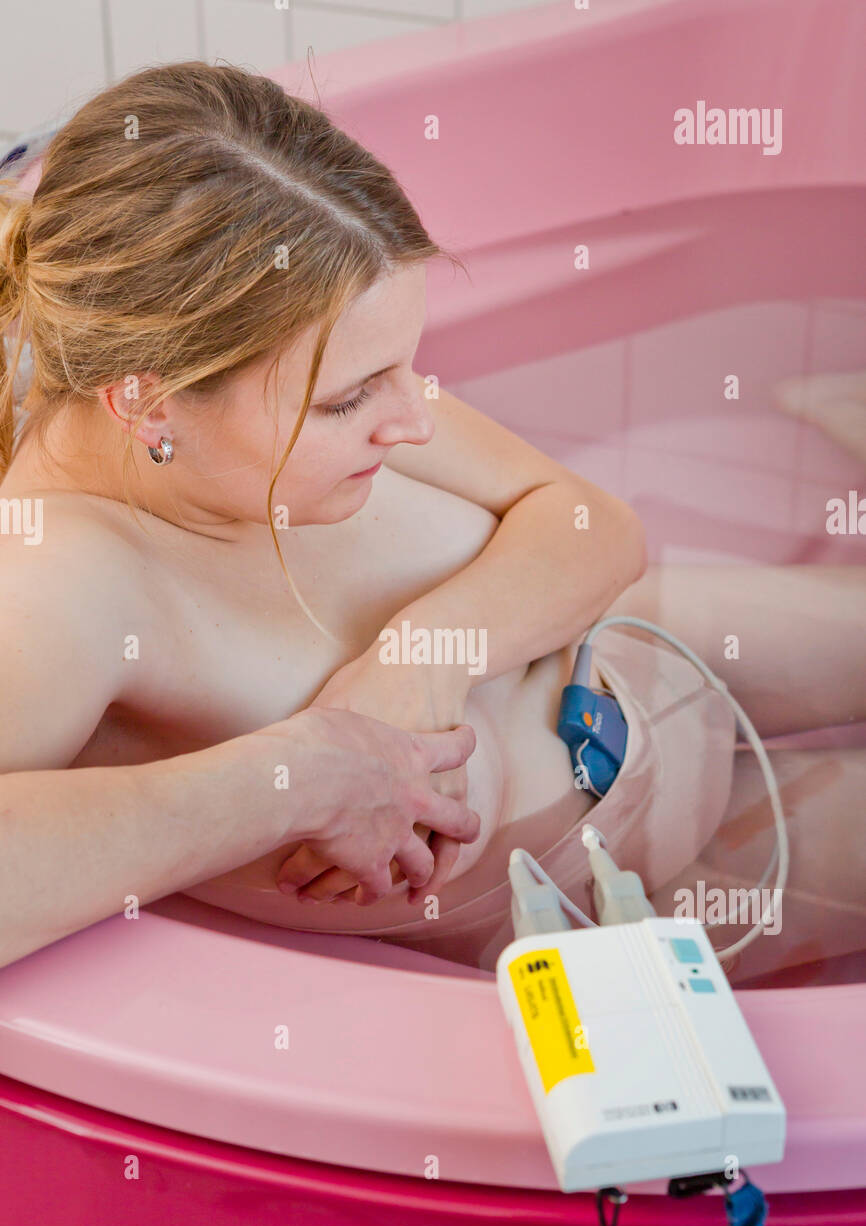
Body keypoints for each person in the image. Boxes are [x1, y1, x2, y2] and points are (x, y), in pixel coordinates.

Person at [1, 62, 863, 984]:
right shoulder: (59, 583)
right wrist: (297, 778)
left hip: (645, 641)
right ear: (148, 405)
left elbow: (586, 520)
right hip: (616, 884)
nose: (414, 420)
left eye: (406, 365)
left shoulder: (314, 343)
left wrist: (425, 659)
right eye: (353, 399)